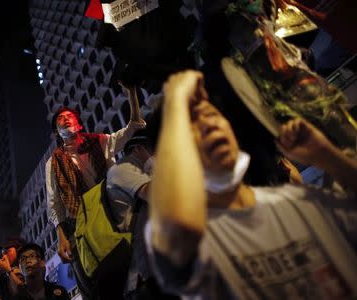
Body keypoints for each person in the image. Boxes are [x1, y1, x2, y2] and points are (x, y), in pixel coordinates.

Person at [145, 70, 357, 299]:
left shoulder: (297, 200)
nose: (208, 125)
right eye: (190, 127)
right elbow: (176, 229)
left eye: (212, 114)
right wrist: (176, 96)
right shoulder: (196, 237)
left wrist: (326, 155)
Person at [46, 84, 146, 299]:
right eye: (59, 119)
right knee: (93, 282)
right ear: (57, 131)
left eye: (69, 116)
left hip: (112, 211)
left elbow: (134, 126)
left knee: (133, 266)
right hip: (80, 222)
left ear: (78, 123)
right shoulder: (53, 162)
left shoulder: (100, 141)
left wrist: (131, 93)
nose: (65, 118)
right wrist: (62, 237)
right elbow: (54, 202)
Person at [106, 128, 180, 299]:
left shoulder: (143, 173)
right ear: (139, 148)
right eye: (154, 151)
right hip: (143, 277)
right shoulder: (123, 168)